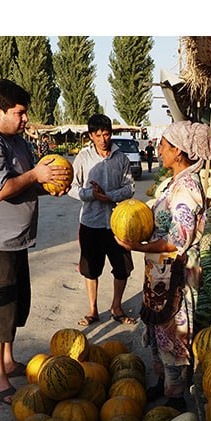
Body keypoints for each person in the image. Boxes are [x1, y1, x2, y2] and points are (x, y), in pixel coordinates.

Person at [0, 79, 71, 405]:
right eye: (20, 113)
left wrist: (47, 185)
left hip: (15, 240)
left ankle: (8, 361)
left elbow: (24, 183)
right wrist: (37, 176)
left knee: (16, 307)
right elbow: (1, 189)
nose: (25, 119)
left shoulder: (16, 141)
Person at [114, 121, 211, 411]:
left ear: (179, 151)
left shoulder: (187, 188)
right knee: (159, 329)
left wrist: (138, 247)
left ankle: (175, 399)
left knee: (172, 334)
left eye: (163, 145)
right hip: (161, 273)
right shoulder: (174, 180)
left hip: (176, 274)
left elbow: (176, 241)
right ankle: (162, 383)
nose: (158, 149)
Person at [67, 113, 137, 327]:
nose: (103, 139)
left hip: (118, 224)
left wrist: (110, 197)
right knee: (91, 269)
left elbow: (130, 188)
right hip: (91, 223)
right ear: (91, 135)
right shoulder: (83, 158)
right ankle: (93, 309)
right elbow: (70, 187)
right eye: (98, 135)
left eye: (106, 134)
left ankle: (116, 307)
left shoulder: (121, 158)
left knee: (123, 268)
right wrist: (91, 195)